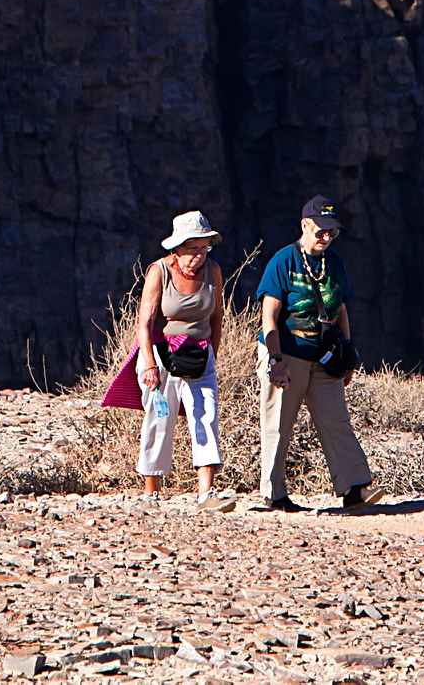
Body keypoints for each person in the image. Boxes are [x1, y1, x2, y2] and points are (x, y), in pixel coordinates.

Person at [254, 194, 373, 513]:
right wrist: (276, 361)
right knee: (278, 422)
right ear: (305, 225)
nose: (326, 237)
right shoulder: (284, 260)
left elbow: (341, 310)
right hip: (287, 354)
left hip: (325, 356)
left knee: (335, 419)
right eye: (320, 230)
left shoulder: (334, 263)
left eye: (332, 231)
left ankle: (354, 487)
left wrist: (348, 355)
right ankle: (274, 494)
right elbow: (269, 315)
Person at [131, 211, 229, 506]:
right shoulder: (158, 271)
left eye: (204, 249)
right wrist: (149, 364)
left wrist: (213, 354)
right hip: (162, 357)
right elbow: (144, 324)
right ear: (177, 248)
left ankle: (206, 492)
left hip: (199, 355)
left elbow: (217, 316)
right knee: (160, 418)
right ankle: (152, 489)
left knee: (206, 415)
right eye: (192, 249)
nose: (198, 257)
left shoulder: (213, 272)